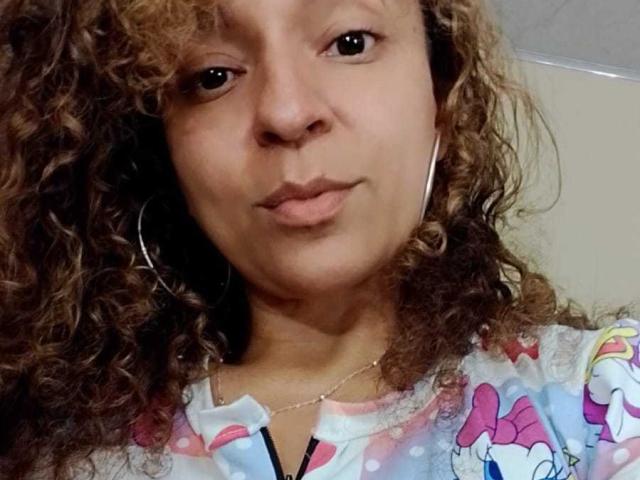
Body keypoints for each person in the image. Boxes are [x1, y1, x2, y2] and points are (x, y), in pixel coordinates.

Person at [0, 0, 637, 479]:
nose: (286, 112)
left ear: (442, 93)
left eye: (350, 42)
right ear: (160, 145)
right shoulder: (62, 461)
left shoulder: (604, 401)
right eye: (213, 75)